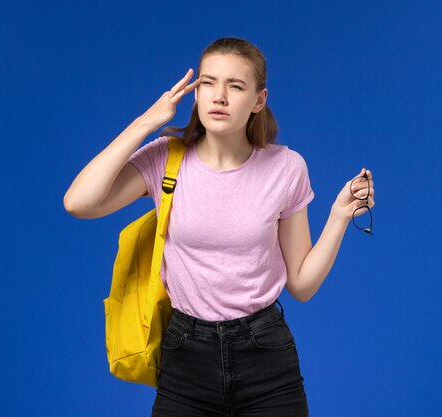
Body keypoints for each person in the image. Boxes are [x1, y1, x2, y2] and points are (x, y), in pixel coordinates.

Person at [63, 37, 375, 417]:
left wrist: (339, 217)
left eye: (236, 85)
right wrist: (147, 122)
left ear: (259, 100)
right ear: (195, 93)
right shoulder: (166, 160)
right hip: (185, 356)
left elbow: (302, 285)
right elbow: (79, 203)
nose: (219, 96)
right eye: (208, 83)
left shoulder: (286, 167)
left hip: (266, 356)